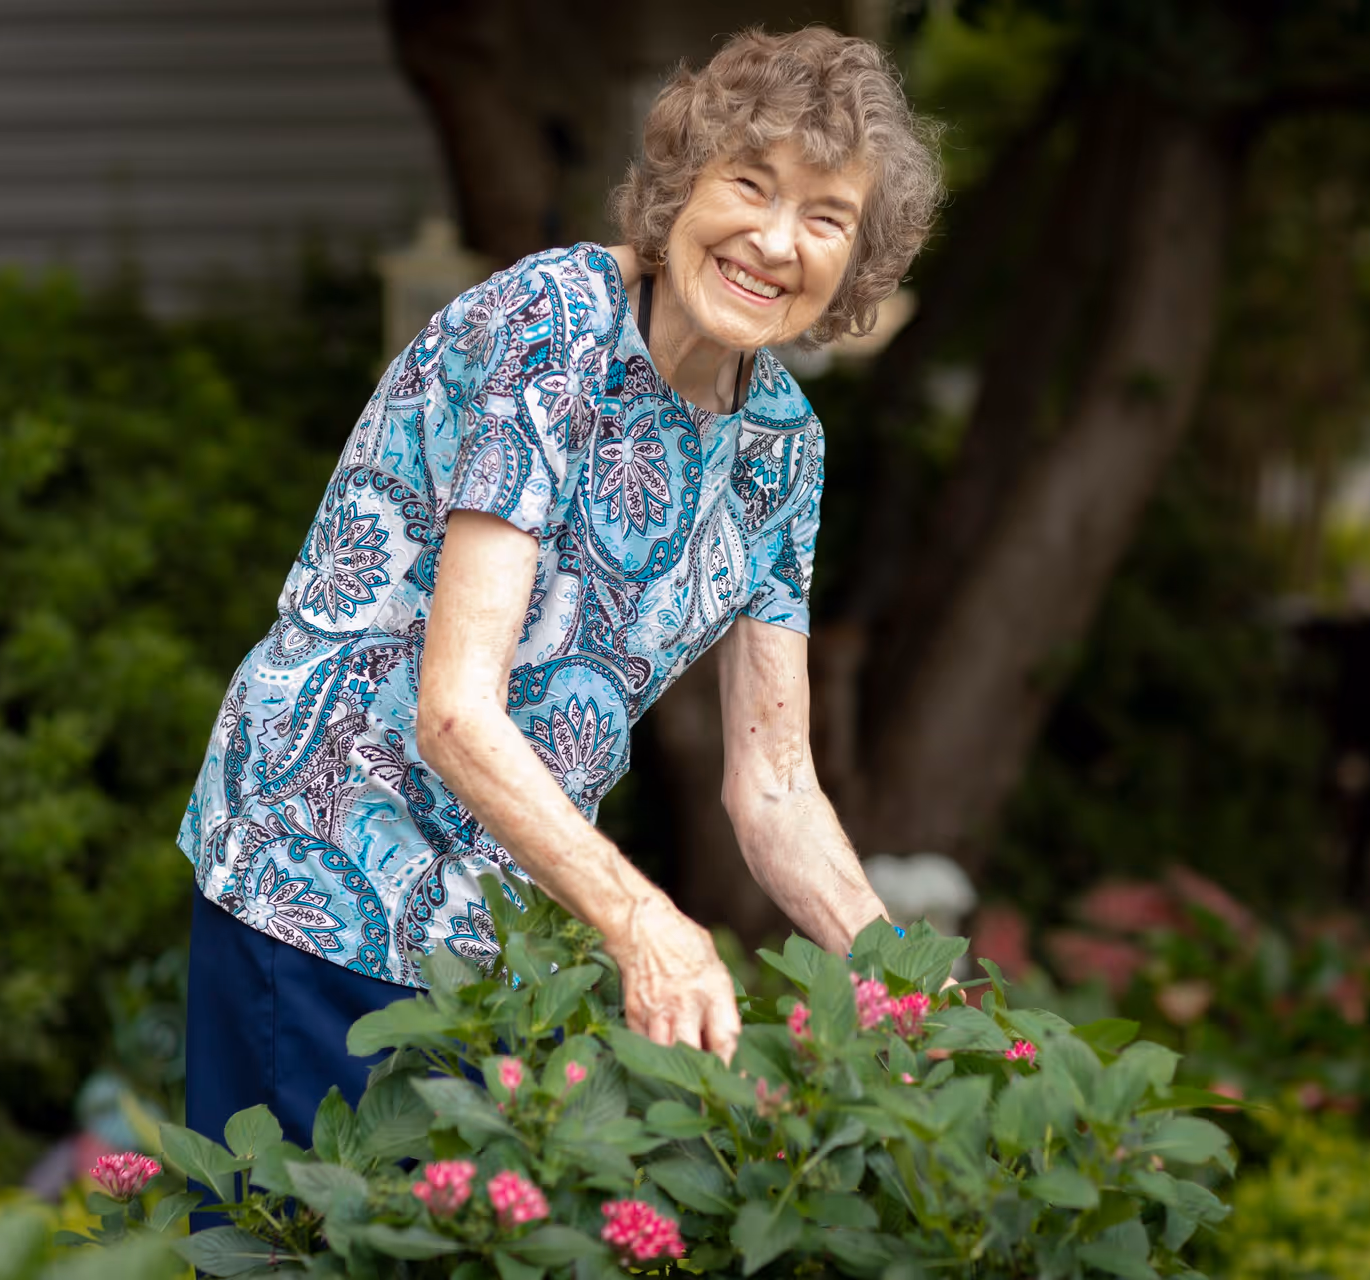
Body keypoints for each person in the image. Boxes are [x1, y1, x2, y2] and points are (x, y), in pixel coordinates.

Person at [180, 24, 943, 1150]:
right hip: (322, 869)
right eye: (751, 183)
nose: (776, 241)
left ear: (857, 262)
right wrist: (645, 920)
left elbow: (776, 786)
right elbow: (455, 710)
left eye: (825, 218)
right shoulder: (552, 332)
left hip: (501, 933)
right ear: (684, 183)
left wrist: (912, 1001)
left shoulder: (782, 445)